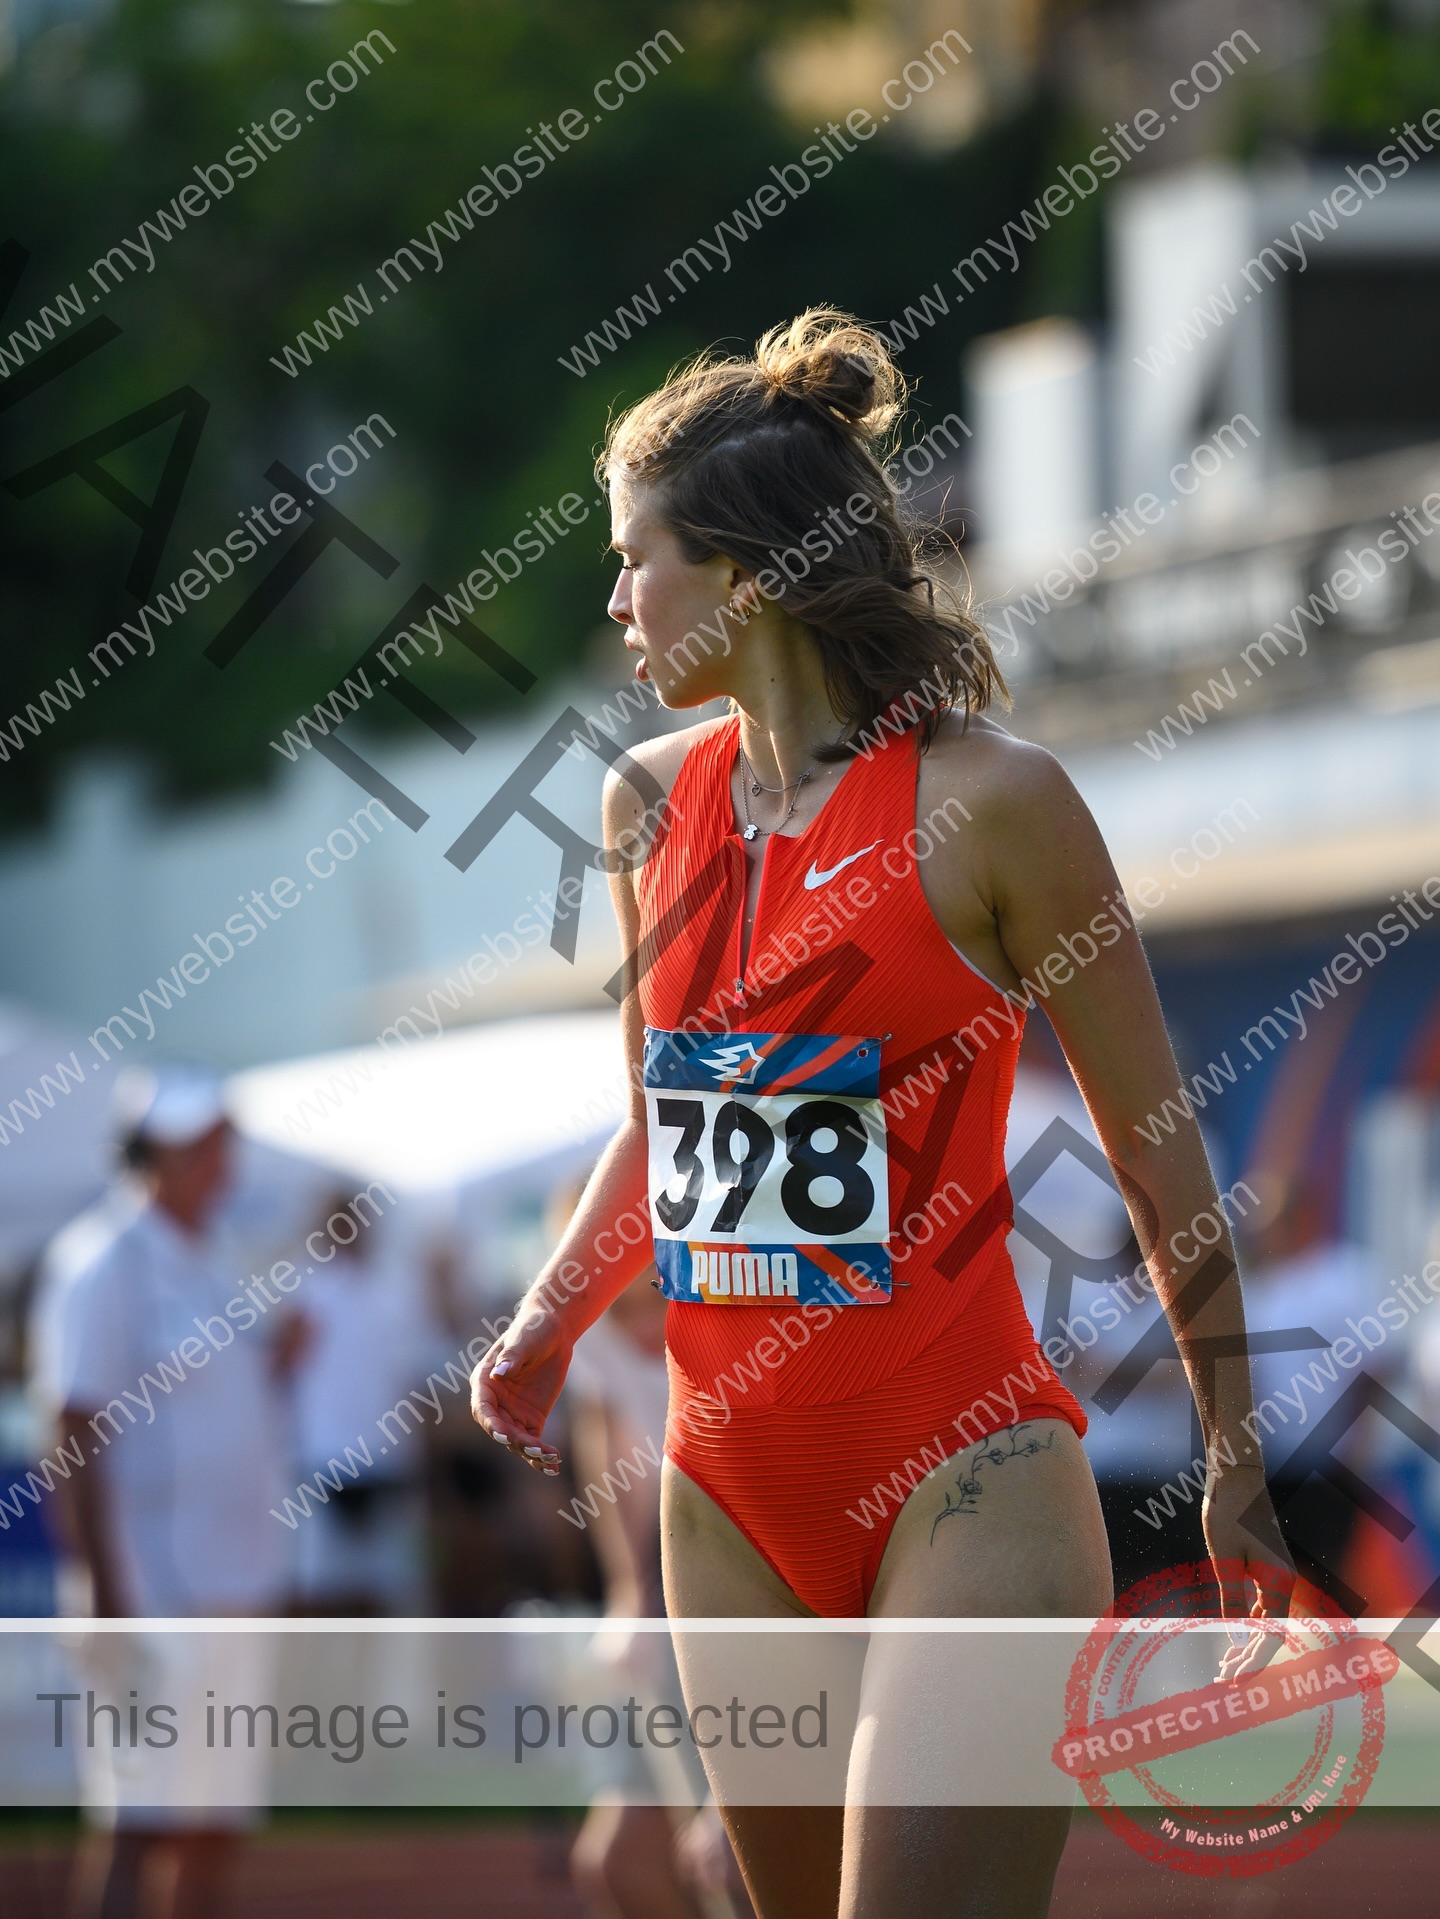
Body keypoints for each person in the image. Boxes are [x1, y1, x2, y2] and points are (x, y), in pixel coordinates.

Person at [472, 310, 1288, 1919]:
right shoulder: (644, 801)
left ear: (745, 576)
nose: (616, 601)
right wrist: (544, 1319)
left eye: (636, 560)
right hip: (725, 1491)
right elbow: (661, 1121)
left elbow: (1155, 1151)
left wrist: (1236, 1454)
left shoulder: (1000, 802)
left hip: (965, 1475)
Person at [30, 1064, 292, 1919]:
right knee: (138, 1823)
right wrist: (106, 1599)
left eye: (222, 1143)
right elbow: (71, 1429)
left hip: (234, 1585)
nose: (222, 1162)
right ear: (155, 1153)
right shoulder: (98, 1261)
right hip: (150, 1591)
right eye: (202, 1146)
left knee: (215, 1822)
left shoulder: (216, 1251)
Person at [288, 1191, 435, 1615]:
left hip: (376, 1463)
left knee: (385, 1596)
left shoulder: (391, 1292)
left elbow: (416, 1380)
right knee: (332, 1597)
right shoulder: (306, 1292)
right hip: (330, 1466)